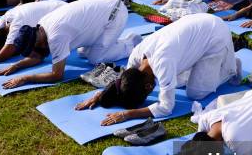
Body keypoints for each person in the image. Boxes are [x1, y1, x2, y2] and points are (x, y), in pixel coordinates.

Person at [75, 13, 240, 126]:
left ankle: (229, 67)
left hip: (214, 33)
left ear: (148, 87)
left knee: (195, 93)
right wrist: (101, 95)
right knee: (177, 82)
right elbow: (122, 80)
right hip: (196, 28)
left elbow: (166, 107)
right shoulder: (135, 58)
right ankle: (203, 65)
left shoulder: (163, 64)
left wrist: (127, 114)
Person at [0, 0, 140, 89]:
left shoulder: (56, 37)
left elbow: (57, 75)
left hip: (115, 14)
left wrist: (25, 78)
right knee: (82, 52)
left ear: (39, 43)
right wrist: (16, 65)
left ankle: (131, 43)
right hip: (106, 7)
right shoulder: (40, 26)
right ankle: (112, 43)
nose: (35, 53)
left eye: (33, 49)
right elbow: (38, 56)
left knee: (96, 59)